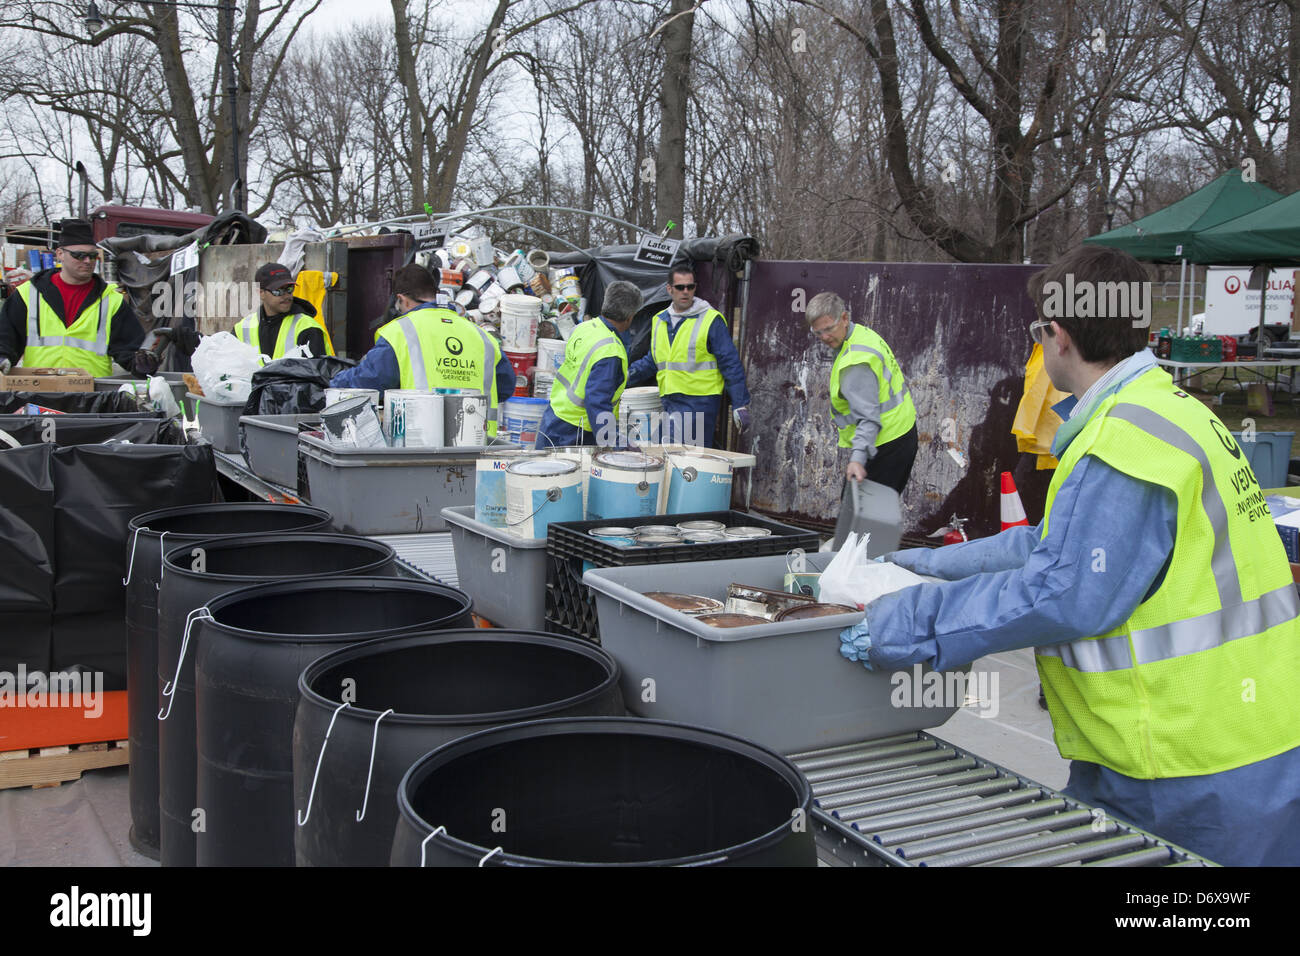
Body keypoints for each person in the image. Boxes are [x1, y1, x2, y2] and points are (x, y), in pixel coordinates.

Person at [838, 244, 1300, 866]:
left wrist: (906, 623)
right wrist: (920, 565)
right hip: (1227, 731)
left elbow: (1065, 592)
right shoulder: (1171, 411)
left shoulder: (1122, 443)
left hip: (1190, 759)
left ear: (1055, 335)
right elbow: (1058, 546)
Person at [330, 264, 514, 435]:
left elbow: (369, 381)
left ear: (401, 300)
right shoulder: (481, 336)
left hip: (420, 444)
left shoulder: (400, 331)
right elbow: (505, 387)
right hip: (478, 445)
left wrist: (334, 381)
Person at [0, 218, 150, 377]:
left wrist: (142, 364)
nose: (87, 261)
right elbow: (6, 339)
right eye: (79, 255)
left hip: (92, 395)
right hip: (39, 393)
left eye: (92, 256)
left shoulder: (112, 301)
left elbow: (130, 350)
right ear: (60, 255)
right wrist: (3, 357)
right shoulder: (27, 294)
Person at [626, 264, 750, 447]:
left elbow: (730, 363)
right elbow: (654, 360)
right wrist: (626, 376)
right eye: (680, 287)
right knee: (673, 456)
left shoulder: (710, 320)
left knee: (685, 460)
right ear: (669, 289)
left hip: (699, 402)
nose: (685, 292)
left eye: (690, 287)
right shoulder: (659, 320)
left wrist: (740, 403)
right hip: (669, 400)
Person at [806, 291, 917, 494]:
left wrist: (857, 459)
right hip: (900, 432)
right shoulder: (861, 335)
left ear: (845, 318)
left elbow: (869, 418)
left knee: (862, 520)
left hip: (886, 443)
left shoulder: (855, 362)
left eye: (829, 329)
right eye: (817, 332)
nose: (824, 337)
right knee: (869, 514)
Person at [537, 281, 643, 448]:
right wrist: (615, 443)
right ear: (630, 316)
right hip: (575, 432)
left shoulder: (584, 328)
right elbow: (597, 402)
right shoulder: (610, 351)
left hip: (554, 417)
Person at [233, 262, 335, 359]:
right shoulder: (242, 328)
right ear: (261, 293)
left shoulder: (307, 327)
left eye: (289, 289)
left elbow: (317, 373)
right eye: (278, 291)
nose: (286, 295)